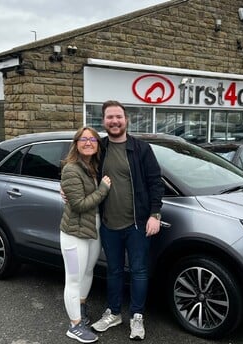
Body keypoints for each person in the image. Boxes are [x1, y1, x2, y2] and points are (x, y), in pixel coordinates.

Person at [90, 100, 164, 340]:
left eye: (118, 117)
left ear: (126, 119)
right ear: (103, 121)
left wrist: (155, 214)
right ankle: (113, 313)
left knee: (139, 271)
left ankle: (137, 316)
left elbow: (155, 183)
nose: (114, 121)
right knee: (113, 271)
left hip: (137, 224)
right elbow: (77, 169)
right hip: (109, 224)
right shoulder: (98, 148)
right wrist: (65, 188)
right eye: (110, 117)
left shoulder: (141, 149)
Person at [60, 126, 111, 343]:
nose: (88, 142)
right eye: (83, 139)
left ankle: (81, 309)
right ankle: (74, 326)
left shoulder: (93, 166)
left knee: (88, 271)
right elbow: (80, 205)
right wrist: (103, 189)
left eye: (93, 139)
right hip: (74, 233)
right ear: (76, 143)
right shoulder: (71, 169)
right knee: (73, 278)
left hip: (93, 229)